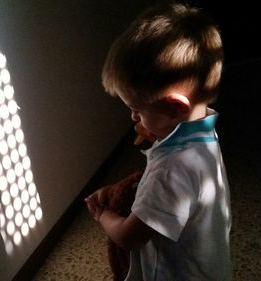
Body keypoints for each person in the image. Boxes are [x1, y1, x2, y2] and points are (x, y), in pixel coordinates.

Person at [85, 2, 231, 280]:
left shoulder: (170, 169)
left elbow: (129, 238)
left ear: (175, 107)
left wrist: (102, 214)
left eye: (138, 109)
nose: (132, 116)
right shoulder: (204, 131)